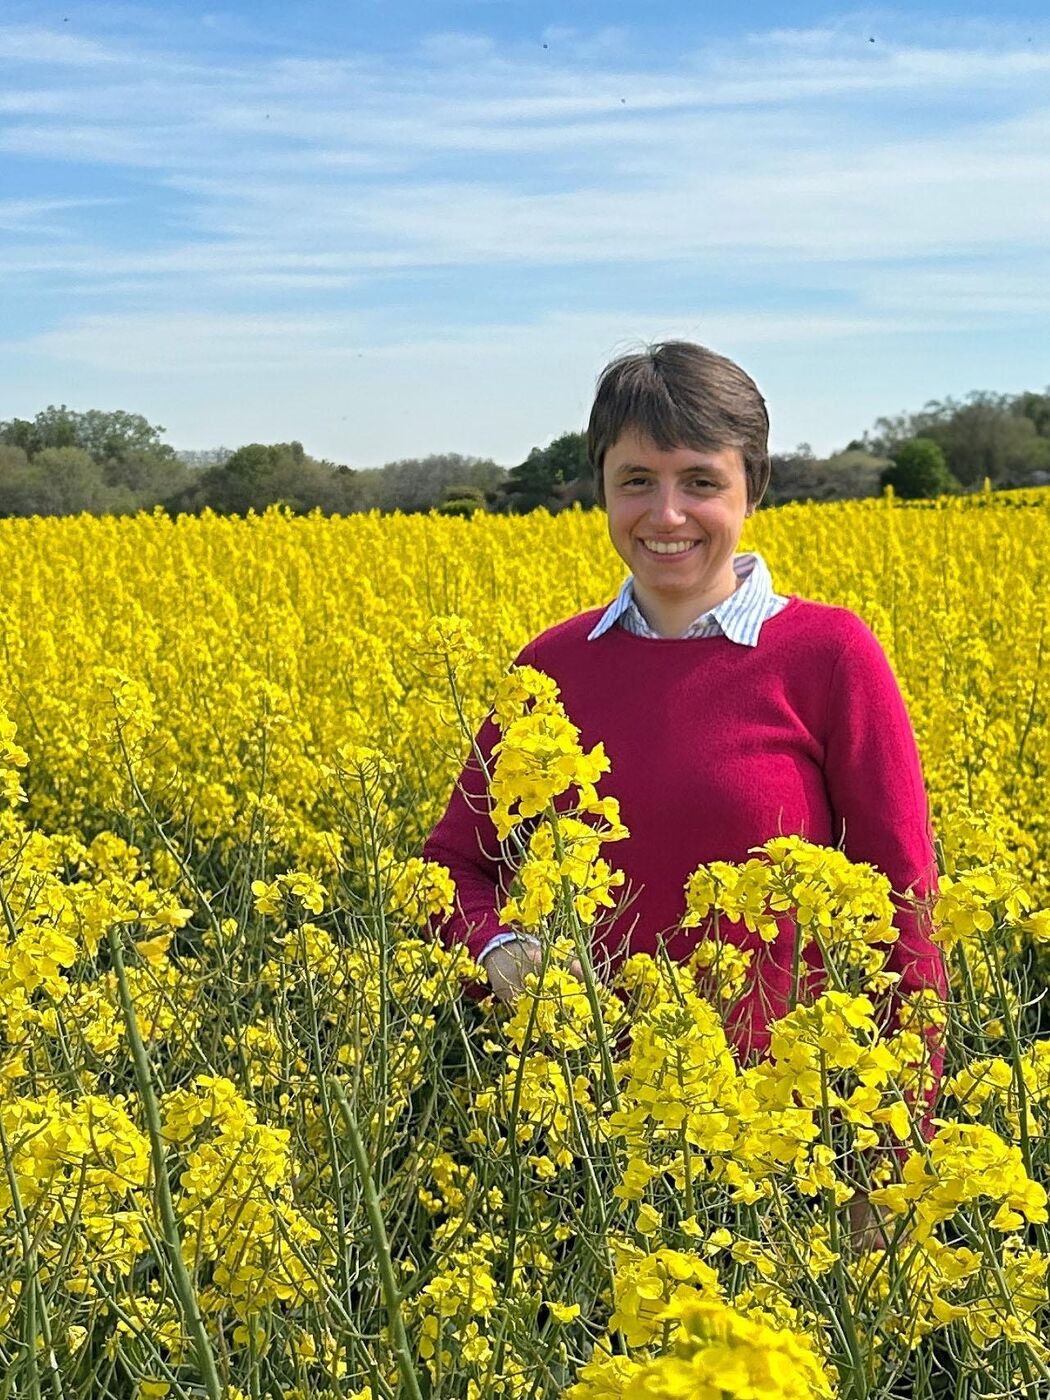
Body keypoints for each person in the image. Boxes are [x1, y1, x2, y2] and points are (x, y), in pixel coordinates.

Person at [422, 341, 947, 1079]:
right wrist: (498, 951)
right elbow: (452, 866)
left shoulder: (829, 654)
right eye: (636, 480)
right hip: (587, 1137)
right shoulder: (548, 669)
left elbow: (907, 912)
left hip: (785, 1143)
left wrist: (892, 1161)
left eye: (701, 480)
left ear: (751, 490)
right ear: (601, 489)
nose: (666, 514)